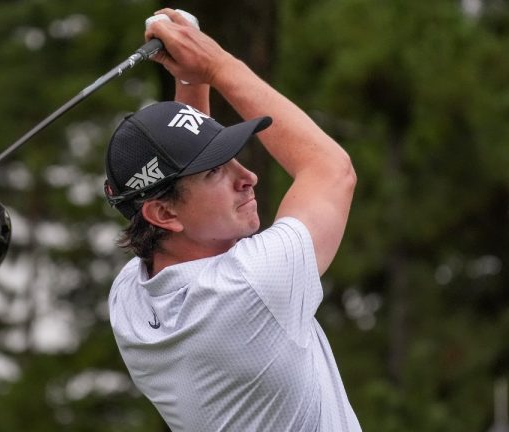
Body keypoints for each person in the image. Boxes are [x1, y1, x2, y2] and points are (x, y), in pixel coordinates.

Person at [103, 8, 361, 431]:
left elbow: (184, 203)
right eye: (216, 171)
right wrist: (215, 64)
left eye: (228, 158)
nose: (249, 177)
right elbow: (332, 170)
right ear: (162, 213)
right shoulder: (249, 287)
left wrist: (190, 81)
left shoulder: (130, 299)